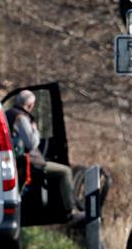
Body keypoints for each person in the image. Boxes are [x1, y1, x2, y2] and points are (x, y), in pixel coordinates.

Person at [6, 90, 81, 222]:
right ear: (29, 105)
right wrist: (34, 129)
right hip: (31, 164)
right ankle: (70, 211)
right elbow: (32, 143)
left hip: (19, 162)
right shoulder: (21, 118)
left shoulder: (9, 114)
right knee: (65, 171)